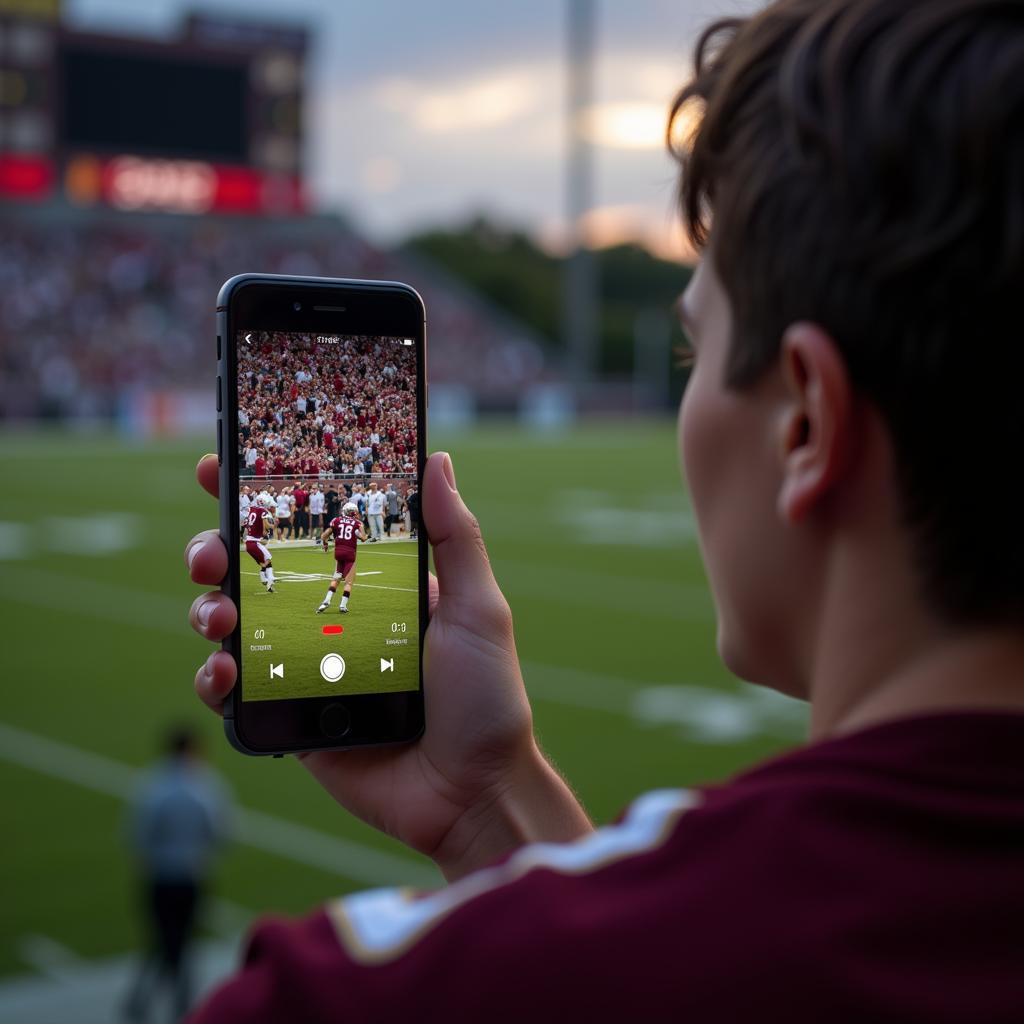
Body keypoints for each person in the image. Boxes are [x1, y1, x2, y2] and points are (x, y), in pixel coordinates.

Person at [183, 1, 1024, 1019]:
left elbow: (663, 958)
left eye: (693, 351)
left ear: (804, 421)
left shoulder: (344, 997)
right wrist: (489, 801)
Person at [122, 725, 231, 1022]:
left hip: (160, 877)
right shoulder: (204, 786)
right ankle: (180, 1005)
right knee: (183, 944)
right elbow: (219, 833)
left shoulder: (152, 785)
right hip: (190, 877)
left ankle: (142, 1001)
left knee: (162, 940)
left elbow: (139, 835)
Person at [316, 501, 368, 614]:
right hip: (350, 554)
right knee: (348, 582)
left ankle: (326, 601)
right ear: (354, 512)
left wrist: (325, 544)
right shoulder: (357, 523)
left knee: (336, 578)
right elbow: (363, 537)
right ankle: (343, 605)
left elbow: (324, 535)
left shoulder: (336, 520)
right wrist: (365, 535)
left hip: (338, 553)